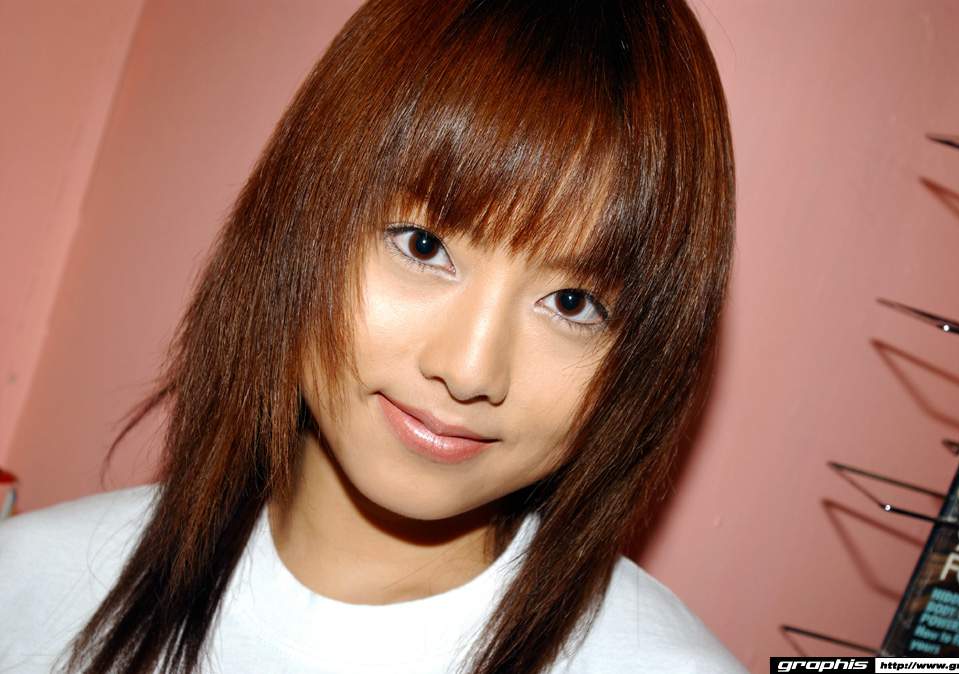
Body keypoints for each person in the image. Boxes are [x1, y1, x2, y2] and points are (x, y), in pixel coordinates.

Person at [0, 0, 745, 672]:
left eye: (572, 303)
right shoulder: (25, 582)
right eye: (424, 246)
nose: (469, 369)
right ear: (299, 221)